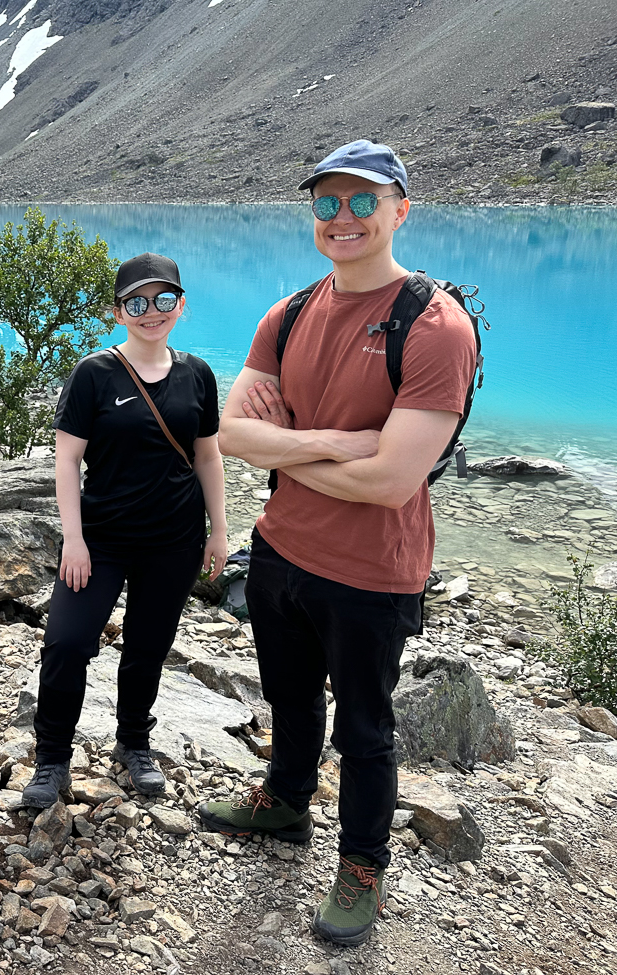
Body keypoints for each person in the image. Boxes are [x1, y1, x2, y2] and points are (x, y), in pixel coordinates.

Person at [203, 141, 478, 946]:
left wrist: (286, 445)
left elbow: (391, 482)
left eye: (364, 200)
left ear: (401, 209)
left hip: (373, 570)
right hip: (279, 550)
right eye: (327, 202)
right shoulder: (287, 315)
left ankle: (362, 865)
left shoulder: (435, 327)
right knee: (289, 698)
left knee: (364, 729)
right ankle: (287, 802)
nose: (343, 217)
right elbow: (230, 433)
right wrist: (338, 443)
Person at [22, 253, 228, 811]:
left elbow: (208, 457)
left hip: (175, 540)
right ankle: (52, 757)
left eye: (163, 299)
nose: (150, 311)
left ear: (180, 306)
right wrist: (73, 539)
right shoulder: (95, 373)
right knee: (66, 643)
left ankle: (134, 742)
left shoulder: (197, 374)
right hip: (102, 539)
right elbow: (67, 461)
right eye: (136, 302)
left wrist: (218, 531)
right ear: (118, 312)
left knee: (148, 647)